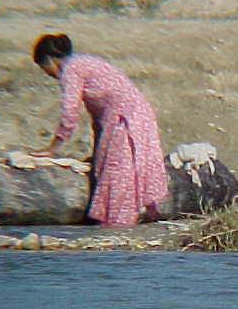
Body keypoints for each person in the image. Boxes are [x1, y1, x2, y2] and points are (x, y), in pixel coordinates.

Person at [30, 33, 168, 227]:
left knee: (118, 174)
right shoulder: (83, 63)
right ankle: (130, 221)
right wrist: (97, 155)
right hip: (133, 115)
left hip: (126, 118)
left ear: (50, 60)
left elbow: (70, 113)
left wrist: (52, 148)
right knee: (109, 167)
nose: (48, 73)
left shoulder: (71, 70)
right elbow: (98, 119)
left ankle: (116, 228)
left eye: (44, 68)